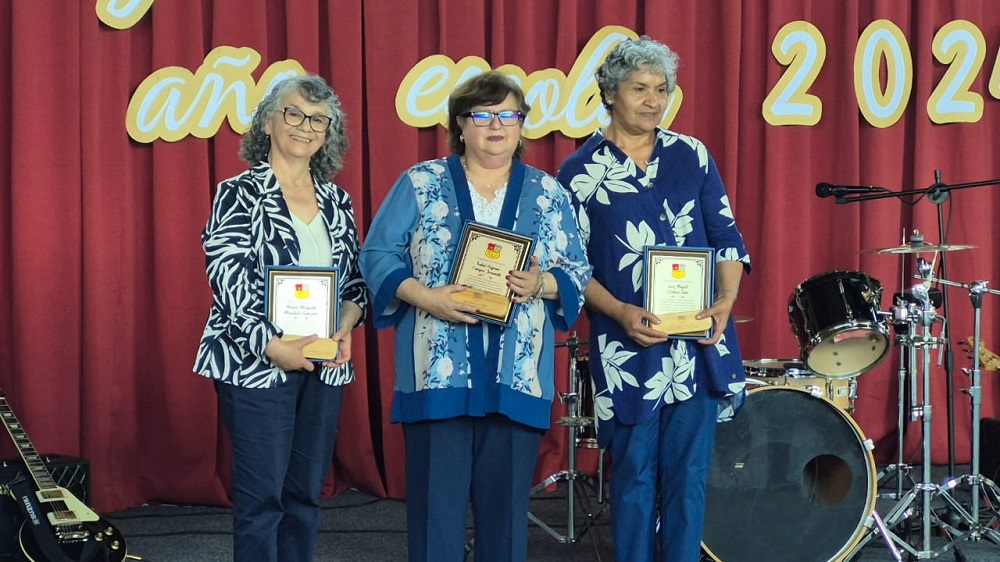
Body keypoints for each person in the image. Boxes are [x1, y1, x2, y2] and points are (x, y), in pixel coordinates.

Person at [360, 71, 591, 562]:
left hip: (517, 377)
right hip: (437, 373)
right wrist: (426, 297)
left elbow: (576, 268)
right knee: (434, 518)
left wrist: (542, 283)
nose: (496, 125)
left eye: (509, 115)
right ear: (459, 124)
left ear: (522, 125)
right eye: (482, 115)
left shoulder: (548, 193)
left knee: (506, 523)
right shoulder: (420, 182)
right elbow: (377, 254)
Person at [557, 36, 751, 562]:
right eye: (639, 88)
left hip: (698, 344)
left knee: (689, 480)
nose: (653, 100)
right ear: (610, 94)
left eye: (661, 89)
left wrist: (726, 299)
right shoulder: (577, 173)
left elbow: (727, 239)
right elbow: (571, 271)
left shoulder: (692, 155)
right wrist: (619, 311)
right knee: (634, 479)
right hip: (627, 348)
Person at [193, 74, 368, 562]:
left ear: (328, 132)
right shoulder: (238, 193)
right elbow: (227, 279)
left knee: (305, 495)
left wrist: (348, 324)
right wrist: (274, 345)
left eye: (318, 120)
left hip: (324, 361)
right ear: (269, 121)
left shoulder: (338, 201)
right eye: (294, 113)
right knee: (262, 500)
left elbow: (354, 285)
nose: (305, 126)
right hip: (255, 362)